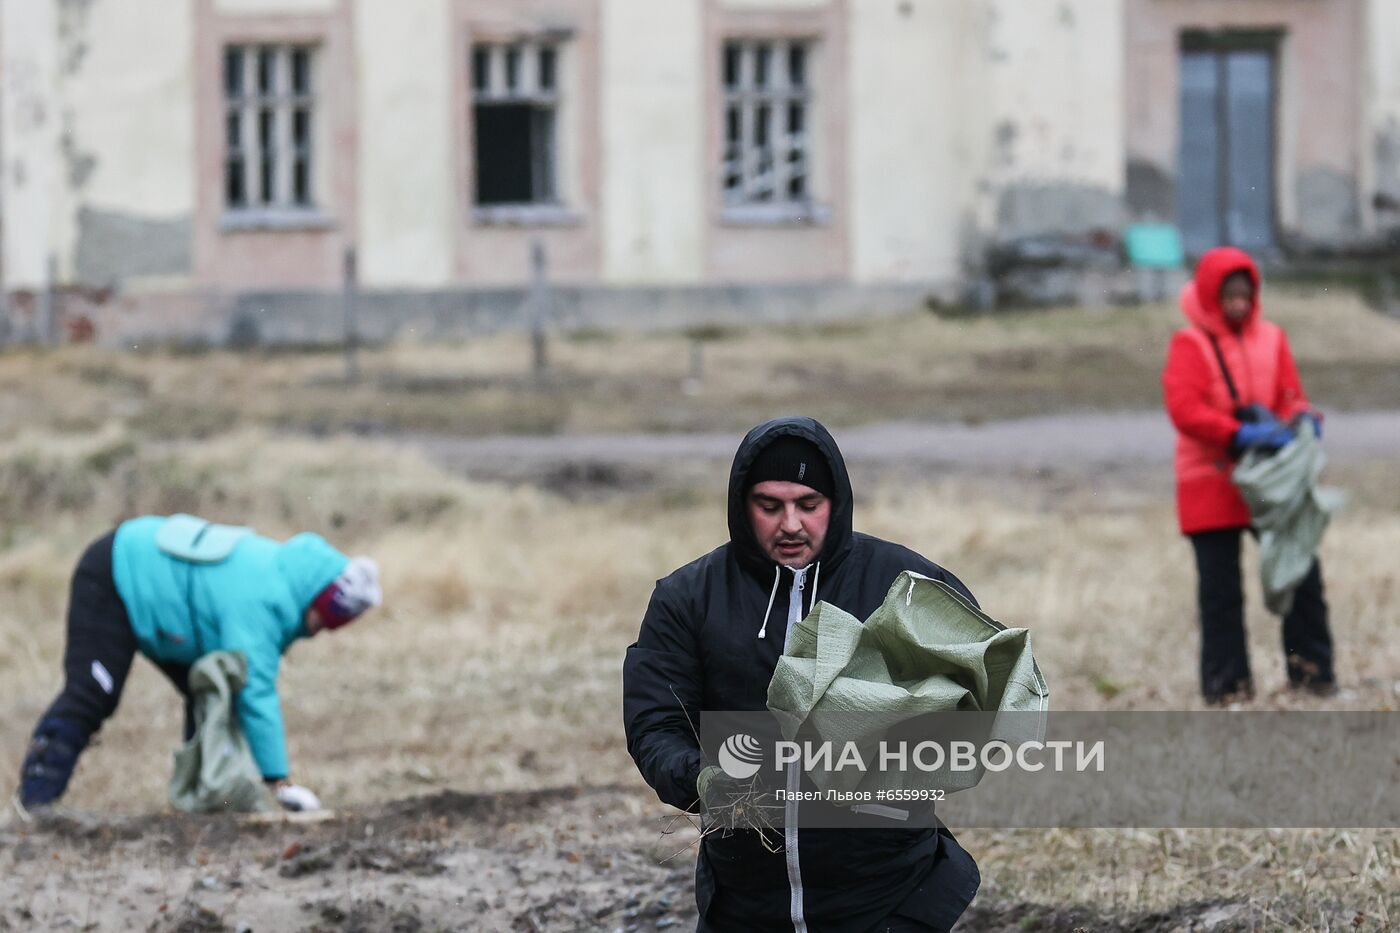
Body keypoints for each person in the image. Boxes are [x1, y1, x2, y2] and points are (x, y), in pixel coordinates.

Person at [623, 417, 981, 933]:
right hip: (745, 899)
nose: (790, 523)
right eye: (769, 506)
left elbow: (976, 710)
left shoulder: (905, 587)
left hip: (888, 894)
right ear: (741, 507)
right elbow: (654, 724)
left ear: (836, 503)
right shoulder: (688, 598)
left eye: (808, 505)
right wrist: (706, 780)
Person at [15, 513, 381, 815]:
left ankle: (205, 804)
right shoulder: (264, 598)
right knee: (93, 693)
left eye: (336, 623)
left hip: (171, 612)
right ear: (315, 592)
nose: (321, 628)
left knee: (212, 698)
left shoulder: (285, 581)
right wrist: (280, 783)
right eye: (327, 614)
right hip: (117, 573)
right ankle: (35, 802)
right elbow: (256, 691)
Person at [1162, 246, 1334, 704]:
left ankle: (1312, 677)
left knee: (1300, 576)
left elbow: (1290, 395)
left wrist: (1301, 419)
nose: (1238, 305)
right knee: (1221, 597)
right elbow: (1185, 411)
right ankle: (1228, 690)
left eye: (1245, 295)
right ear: (1210, 296)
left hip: (1270, 486)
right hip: (1210, 481)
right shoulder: (1190, 343)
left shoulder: (1273, 337)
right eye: (1229, 296)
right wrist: (1239, 434)